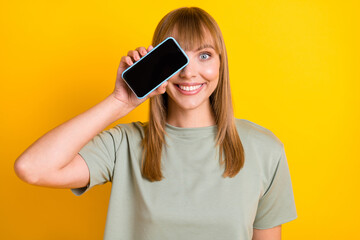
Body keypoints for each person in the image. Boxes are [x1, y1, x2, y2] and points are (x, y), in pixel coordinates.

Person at [14, 7, 297, 240]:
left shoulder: (264, 150)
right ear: (157, 63)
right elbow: (32, 169)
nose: (188, 72)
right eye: (178, 58)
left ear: (221, 65)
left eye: (204, 55)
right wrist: (120, 101)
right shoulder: (123, 144)